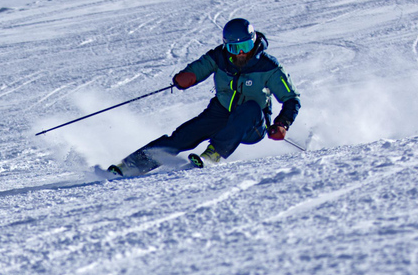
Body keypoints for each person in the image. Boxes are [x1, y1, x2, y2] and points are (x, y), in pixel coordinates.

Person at [108, 18, 300, 177]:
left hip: (252, 123)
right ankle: (131, 165)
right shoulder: (220, 57)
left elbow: (291, 98)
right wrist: (185, 78)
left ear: (254, 41)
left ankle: (213, 154)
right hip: (221, 112)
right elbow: (200, 67)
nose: (242, 53)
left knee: (250, 107)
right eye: (235, 48)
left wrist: (282, 123)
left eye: (246, 46)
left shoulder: (268, 66)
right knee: (182, 137)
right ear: (227, 47)